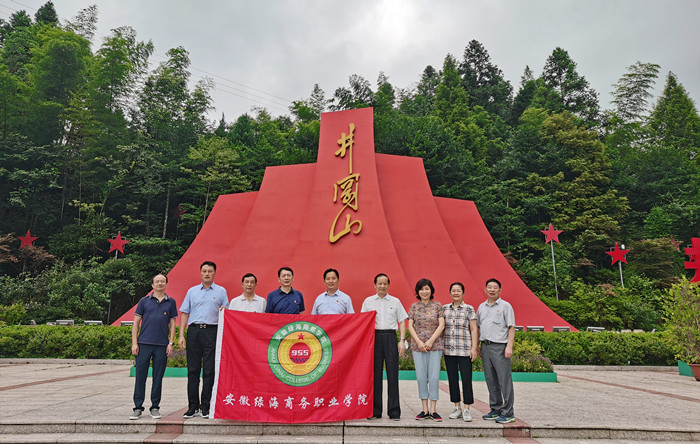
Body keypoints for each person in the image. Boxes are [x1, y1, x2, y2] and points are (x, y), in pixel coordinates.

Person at [178, 261, 229, 419]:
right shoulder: (192, 291)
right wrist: (181, 335)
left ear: (215, 273)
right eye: (204, 271)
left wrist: (224, 310)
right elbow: (185, 313)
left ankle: (205, 405)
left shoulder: (221, 291)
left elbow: (227, 312)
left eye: (210, 271)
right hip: (194, 332)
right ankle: (192, 406)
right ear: (200, 273)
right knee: (192, 370)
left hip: (212, 332)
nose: (207, 274)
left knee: (209, 371)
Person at [130, 274, 178, 420]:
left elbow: (173, 324)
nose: (159, 283)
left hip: (162, 345)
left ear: (166, 284)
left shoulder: (171, 302)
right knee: (140, 377)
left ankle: (155, 407)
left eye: (162, 281)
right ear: (152, 285)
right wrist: (134, 343)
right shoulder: (144, 301)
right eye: (157, 281)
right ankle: (138, 407)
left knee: (158, 378)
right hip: (144, 344)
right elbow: (136, 323)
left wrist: (171, 343)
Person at [361, 273, 407, 421]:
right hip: (374, 338)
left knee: (393, 374)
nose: (382, 286)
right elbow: (363, 322)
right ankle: (375, 411)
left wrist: (401, 340)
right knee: (375, 376)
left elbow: (402, 321)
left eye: (385, 283)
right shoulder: (368, 302)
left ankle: (394, 412)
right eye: (379, 283)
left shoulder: (395, 301)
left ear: (388, 285)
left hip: (390, 337)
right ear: (374, 285)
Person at [476, 278, 516, 424]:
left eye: (495, 288)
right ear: (485, 290)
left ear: (500, 290)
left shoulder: (506, 306)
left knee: (504, 380)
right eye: (489, 287)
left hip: (500, 346)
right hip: (485, 346)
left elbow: (511, 327)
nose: (492, 290)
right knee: (491, 379)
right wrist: (477, 347)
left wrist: (509, 346)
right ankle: (496, 408)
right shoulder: (481, 307)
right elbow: (478, 327)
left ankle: (508, 412)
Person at [407, 278, 445, 422]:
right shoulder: (414, 307)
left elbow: (441, 325)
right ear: (418, 291)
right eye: (421, 289)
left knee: (434, 377)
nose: (424, 291)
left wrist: (430, 341)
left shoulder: (437, 306)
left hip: (435, 347)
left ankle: (434, 410)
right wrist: (419, 342)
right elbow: (410, 325)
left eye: (427, 288)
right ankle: (425, 409)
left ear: (431, 290)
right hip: (418, 348)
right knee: (421, 377)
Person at [442, 282, 478, 422]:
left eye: (458, 291)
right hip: (449, 350)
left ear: (463, 293)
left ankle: (467, 408)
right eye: (453, 290)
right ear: (450, 293)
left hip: (464, 349)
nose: (456, 293)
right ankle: (457, 407)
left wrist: (474, 348)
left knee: (466, 379)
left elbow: (474, 329)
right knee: (452, 379)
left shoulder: (469, 309)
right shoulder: (445, 309)